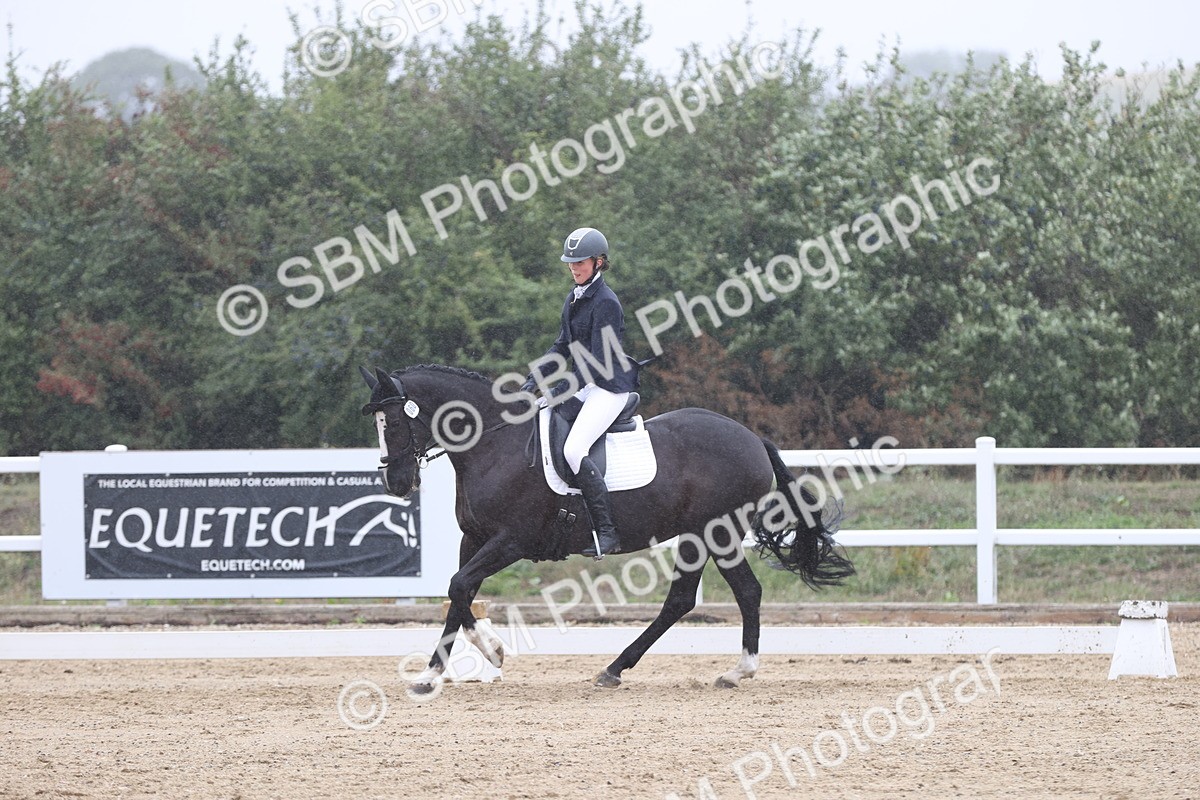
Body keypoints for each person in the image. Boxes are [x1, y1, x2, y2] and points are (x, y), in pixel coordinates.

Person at [521, 227, 639, 558]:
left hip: (608, 387)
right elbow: (561, 346)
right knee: (543, 418)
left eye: (581, 262)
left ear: (599, 262)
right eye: (571, 263)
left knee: (574, 449)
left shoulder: (606, 303)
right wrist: (533, 379)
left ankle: (607, 532)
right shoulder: (575, 296)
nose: (574, 268)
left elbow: (597, 364)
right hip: (586, 384)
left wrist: (558, 389)